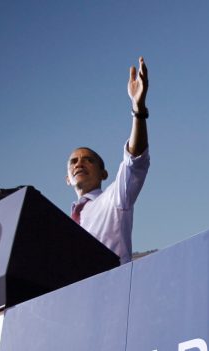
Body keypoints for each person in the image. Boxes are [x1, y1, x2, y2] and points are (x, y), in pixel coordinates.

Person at [66, 57, 149, 264]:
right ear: (67, 179)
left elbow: (135, 160)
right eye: (74, 161)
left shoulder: (115, 198)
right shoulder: (61, 226)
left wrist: (137, 109)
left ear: (104, 173)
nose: (79, 164)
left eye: (88, 160)